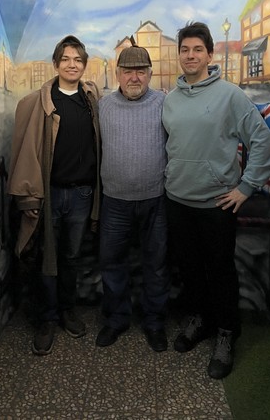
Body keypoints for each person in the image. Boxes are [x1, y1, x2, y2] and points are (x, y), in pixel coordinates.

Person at [162, 21, 270, 378]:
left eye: (197, 49)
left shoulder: (230, 95)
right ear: (179, 55)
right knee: (190, 270)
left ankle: (227, 332)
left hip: (216, 204)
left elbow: (262, 142)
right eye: (185, 49)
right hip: (177, 201)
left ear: (209, 55)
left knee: (221, 271)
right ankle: (200, 320)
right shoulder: (170, 100)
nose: (190, 55)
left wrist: (246, 187)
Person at [7, 35, 101, 355]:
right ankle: (46, 318)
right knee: (46, 258)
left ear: (84, 65)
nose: (72, 65)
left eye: (78, 60)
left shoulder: (92, 100)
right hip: (50, 195)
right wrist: (28, 197)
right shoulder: (38, 103)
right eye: (66, 59)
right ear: (56, 63)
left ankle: (66, 310)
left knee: (71, 257)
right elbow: (25, 152)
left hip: (82, 195)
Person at [96, 42, 170, 352]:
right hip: (114, 201)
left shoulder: (165, 103)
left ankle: (154, 322)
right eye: (128, 71)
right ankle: (117, 320)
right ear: (118, 74)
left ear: (150, 74)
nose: (134, 77)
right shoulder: (103, 106)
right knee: (112, 263)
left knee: (157, 264)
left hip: (156, 199)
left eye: (141, 71)